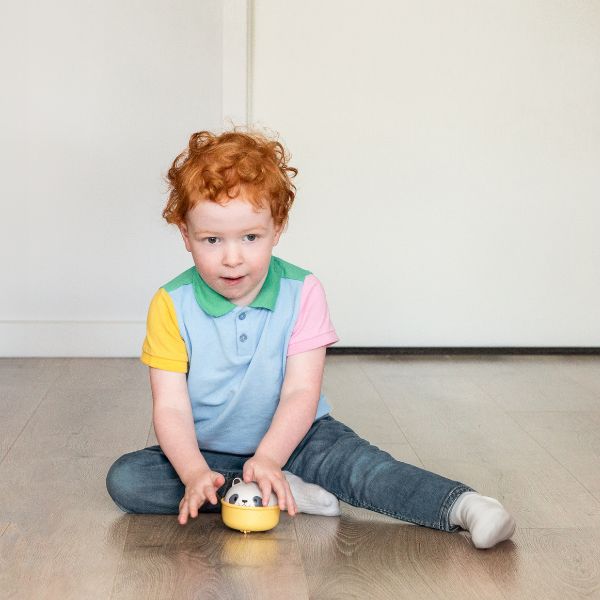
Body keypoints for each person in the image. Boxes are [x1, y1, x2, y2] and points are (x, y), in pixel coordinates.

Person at [106, 128, 516, 549]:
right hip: (209, 450)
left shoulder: (303, 292)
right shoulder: (171, 303)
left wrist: (268, 457)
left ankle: (464, 506)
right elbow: (171, 407)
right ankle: (275, 490)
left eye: (250, 237)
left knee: (365, 470)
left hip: (301, 436)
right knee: (129, 479)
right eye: (212, 240)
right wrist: (193, 472)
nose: (232, 258)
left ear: (277, 227)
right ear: (185, 236)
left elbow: (302, 391)